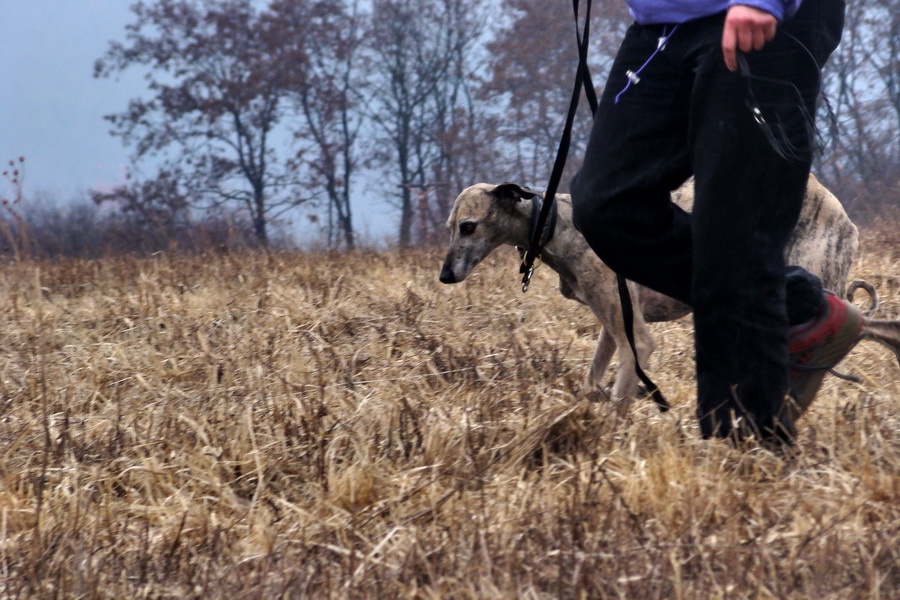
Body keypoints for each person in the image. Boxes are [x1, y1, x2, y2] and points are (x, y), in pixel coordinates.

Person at [570, 0, 861, 446]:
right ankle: (803, 309)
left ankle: (744, 448)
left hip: (757, 17)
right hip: (662, 23)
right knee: (606, 205)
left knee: (734, 230)